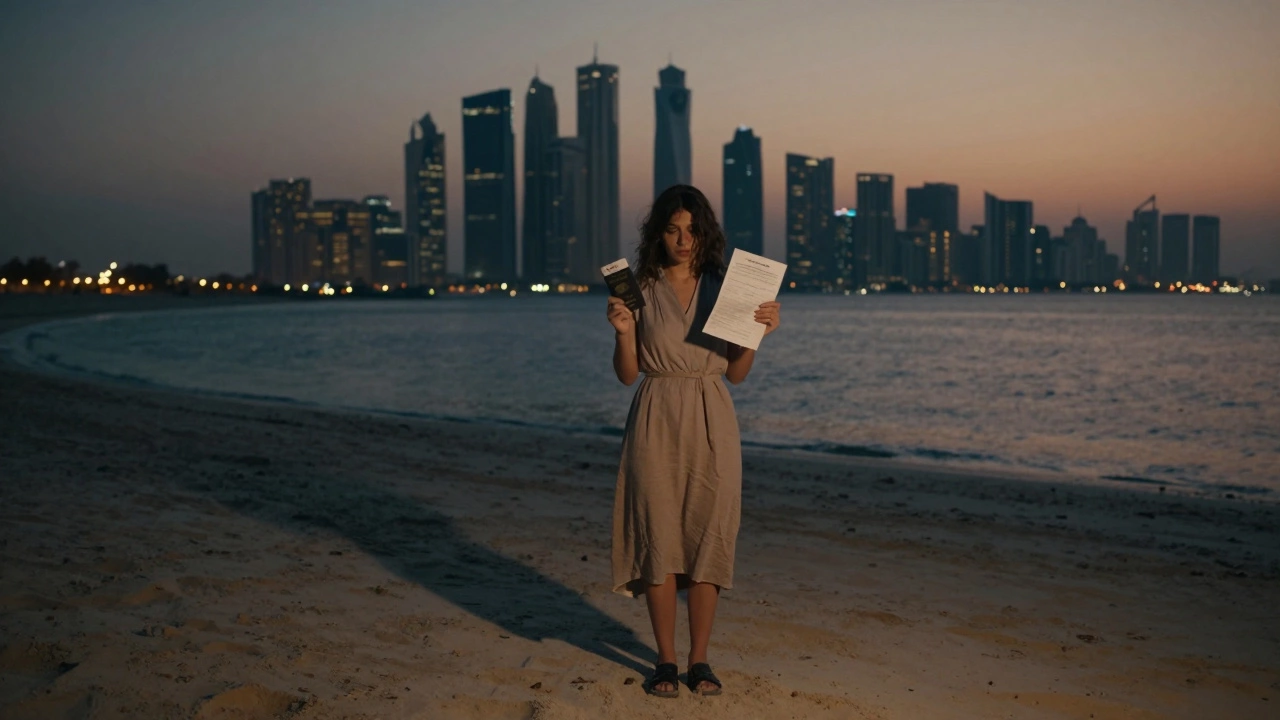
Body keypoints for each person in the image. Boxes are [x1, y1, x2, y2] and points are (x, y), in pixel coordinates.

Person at [606, 184, 781, 697]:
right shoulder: (637, 287)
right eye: (672, 229)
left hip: (712, 416)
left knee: (710, 533)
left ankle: (699, 659)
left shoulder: (728, 288)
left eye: (692, 229)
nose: (684, 239)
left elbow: (737, 375)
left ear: (705, 233)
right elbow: (627, 374)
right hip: (656, 414)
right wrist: (621, 333)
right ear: (657, 234)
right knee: (657, 534)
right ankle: (664, 660)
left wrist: (757, 336)